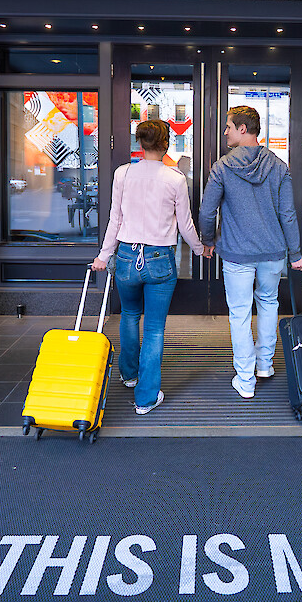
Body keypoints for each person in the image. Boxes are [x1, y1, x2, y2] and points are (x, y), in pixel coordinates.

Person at [93, 121, 209, 415]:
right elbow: (185, 224)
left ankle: (129, 375)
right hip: (159, 259)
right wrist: (200, 249)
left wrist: (104, 257)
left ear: (140, 144)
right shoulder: (175, 178)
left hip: (127, 258)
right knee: (154, 328)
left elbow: (114, 220)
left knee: (130, 315)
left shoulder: (123, 173)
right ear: (166, 144)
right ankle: (145, 399)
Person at [198, 105, 302, 400]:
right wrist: (294, 253)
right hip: (273, 252)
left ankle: (245, 381)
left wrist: (208, 240)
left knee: (240, 314)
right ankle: (265, 365)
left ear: (243, 129)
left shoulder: (221, 168)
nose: (225, 133)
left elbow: (207, 211)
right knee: (269, 303)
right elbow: (288, 215)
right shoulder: (279, 167)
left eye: (229, 127)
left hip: (236, 254)